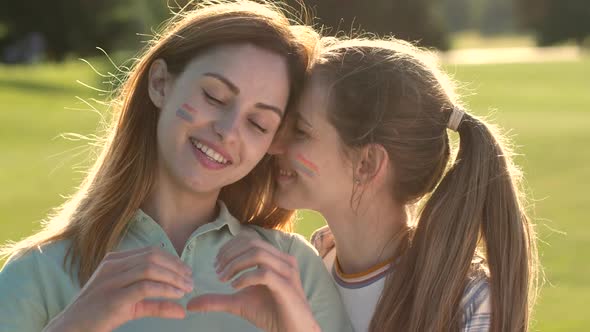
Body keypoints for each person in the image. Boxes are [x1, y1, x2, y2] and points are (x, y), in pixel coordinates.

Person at [0, 2, 354, 332]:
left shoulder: (292, 271)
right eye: (214, 97)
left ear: (272, 143)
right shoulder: (38, 271)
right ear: (160, 84)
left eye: (258, 123)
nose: (227, 131)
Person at [189, 37, 540, 332]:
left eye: (301, 131)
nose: (275, 145)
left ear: (367, 164)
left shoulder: (468, 301)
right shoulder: (305, 266)